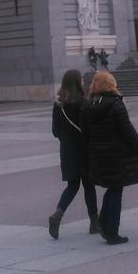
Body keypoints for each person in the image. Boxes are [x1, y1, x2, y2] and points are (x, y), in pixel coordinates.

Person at [82, 71, 138, 245]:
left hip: (97, 154)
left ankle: (104, 223)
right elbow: (127, 130)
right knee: (116, 190)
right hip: (116, 154)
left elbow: (84, 133)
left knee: (112, 188)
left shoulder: (88, 106)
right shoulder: (116, 104)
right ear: (111, 84)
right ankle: (112, 232)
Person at [48, 69, 99, 239]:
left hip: (67, 150)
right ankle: (94, 223)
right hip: (83, 149)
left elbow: (55, 131)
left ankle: (58, 214)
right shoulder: (83, 102)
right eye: (81, 80)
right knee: (89, 186)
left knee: (72, 186)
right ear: (77, 82)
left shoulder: (59, 104)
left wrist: (66, 138)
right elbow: (89, 128)